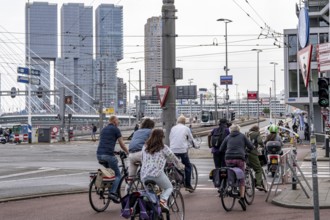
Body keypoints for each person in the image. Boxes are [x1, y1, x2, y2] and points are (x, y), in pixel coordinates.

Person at [141, 129, 183, 210]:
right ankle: (163, 201)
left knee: (150, 194)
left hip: (144, 174)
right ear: (161, 137)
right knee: (169, 187)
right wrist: (181, 166)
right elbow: (174, 158)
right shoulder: (163, 148)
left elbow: (142, 159)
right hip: (156, 174)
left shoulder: (145, 147)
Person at [219, 124, 254, 211]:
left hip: (228, 159)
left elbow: (221, 149)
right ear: (239, 130)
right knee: (241, 178)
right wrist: (249, 150)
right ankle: (242, 198)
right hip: (239, 159)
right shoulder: (242, 136)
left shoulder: (228, 137)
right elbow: (251, 146)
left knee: (230, 171)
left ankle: (230, 186)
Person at [96, 115, 129, 203]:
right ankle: (112, 192)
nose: (118, 123)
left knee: (110, 172)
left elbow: (105, 143)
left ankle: (108, 187)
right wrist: (128, 152)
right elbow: (122, 144)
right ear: (114, 121)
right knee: (118, 175)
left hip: (99, 155)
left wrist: (114, 151)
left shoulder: (103, 129)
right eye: (118, 121)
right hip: (108, 155)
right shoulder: (116, 129)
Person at [169, 115, 196, 192]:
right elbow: (191, 139)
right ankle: (188, 185)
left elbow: (170, 138)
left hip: (172, 150)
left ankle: (177, 180)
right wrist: (196, 146)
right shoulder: (186, 128)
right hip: (182, 150)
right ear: (184, 122)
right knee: (188, 166)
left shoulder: (173, 128)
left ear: (178, 121)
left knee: (176, 165)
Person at [247, 125, 265, 191]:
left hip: (245, 153)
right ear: (257, 129)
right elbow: (260, 141)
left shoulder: (247, 133)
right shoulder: (257, 134)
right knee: (258, 169)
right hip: (252, 152)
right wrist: (263, 145)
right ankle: (258, 184)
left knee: (247, 168)